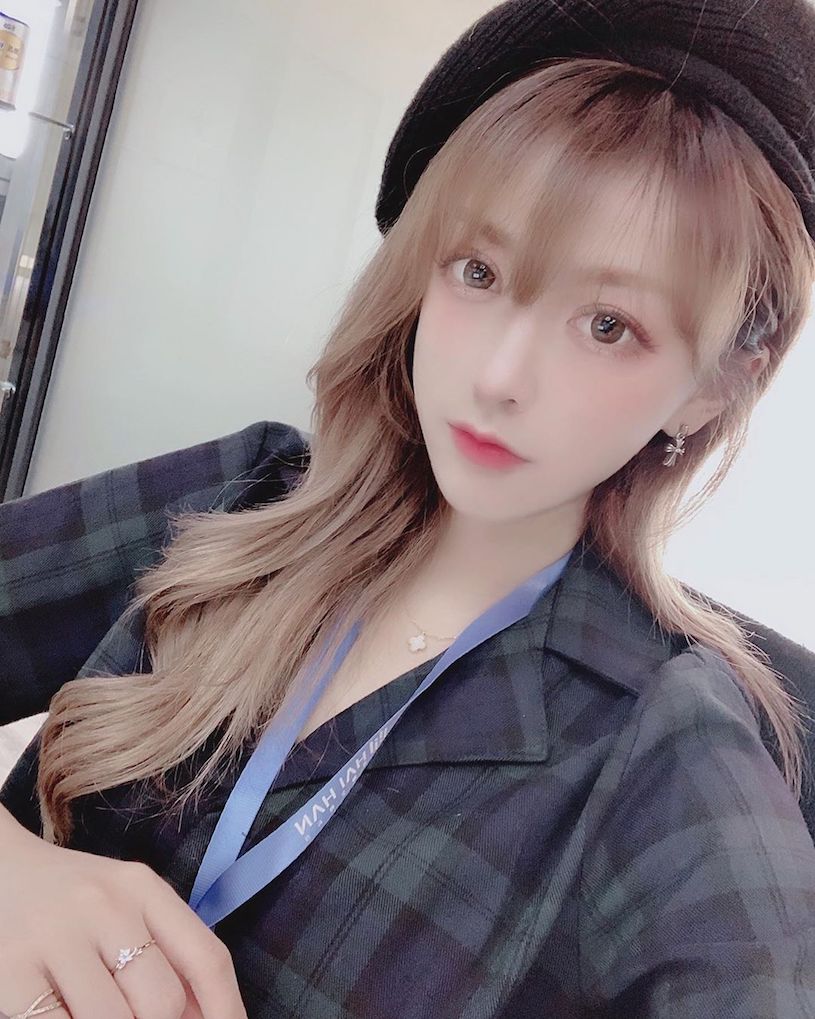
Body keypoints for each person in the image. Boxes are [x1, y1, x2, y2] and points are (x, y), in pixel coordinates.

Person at [2, 0, 815, 1015]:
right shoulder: (241, 502)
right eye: (479, 272)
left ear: (713, 384)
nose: (499, 376)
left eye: (607, 325)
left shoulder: (661, 753)